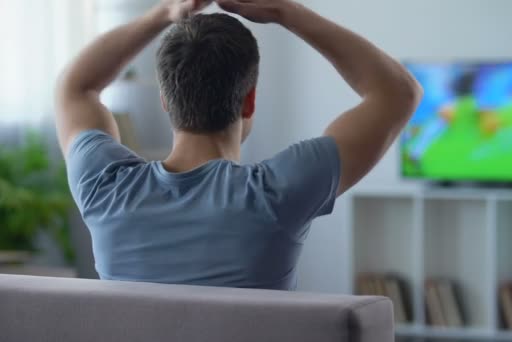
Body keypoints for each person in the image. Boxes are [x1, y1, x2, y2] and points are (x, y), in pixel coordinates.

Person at [55, 0, 422, 290]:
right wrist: (286, 11)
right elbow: (399, 93)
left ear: (165, 102)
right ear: (249, 101)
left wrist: (163, 13)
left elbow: (75, 86)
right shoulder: (278, 194)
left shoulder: (104, 188)